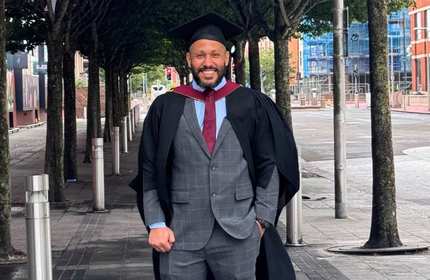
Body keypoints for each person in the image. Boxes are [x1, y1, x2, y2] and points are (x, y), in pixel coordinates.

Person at [130, 12, 299, 280]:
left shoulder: (250, 103)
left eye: (215, 55)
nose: (207, 62)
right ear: (188, 59)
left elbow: (270, 164)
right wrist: (156, 223)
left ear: (227, 59)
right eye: (200, 55)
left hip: (239, 234)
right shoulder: (167, 106)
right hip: (179, 234)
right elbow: (149, 170)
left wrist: (261, 221)